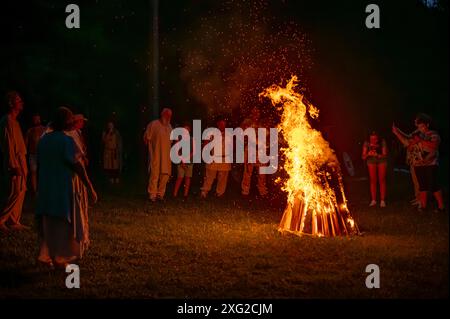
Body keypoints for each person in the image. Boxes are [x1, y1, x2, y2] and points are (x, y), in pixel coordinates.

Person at [36, 107, 97, 269]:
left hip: (46, 187)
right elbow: (77, 165)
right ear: (66, 121)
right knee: (63, 224)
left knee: (49, 223)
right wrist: (89, 187)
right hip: (61, 187)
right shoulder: (65, 141)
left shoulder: (44, 140)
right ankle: (59, 258)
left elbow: (39, 163)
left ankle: (46, 256)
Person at [393, 114, 444, 212]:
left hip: (430, 163)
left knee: (433, 185)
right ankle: (423, 206)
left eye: (421, 126)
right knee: (422, 185)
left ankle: (441, 206)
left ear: (427, 124)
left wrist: (420, 141)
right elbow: (408, 141)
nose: (419, 128)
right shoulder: (417, 133)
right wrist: (397, 131)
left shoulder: (433, 134)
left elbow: (434, 146)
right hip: (418, 163)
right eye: (418, 126)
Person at [0, 91, 28, 232]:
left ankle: (13, 220)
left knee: (21, 189)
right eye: (18, 100)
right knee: (14, 191)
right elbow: (8, 144)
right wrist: (13, 165)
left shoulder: (15, 121)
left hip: (21, 159)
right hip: (14, 160)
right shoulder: (7, 121)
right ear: (11, 103)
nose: (21, 102)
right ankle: (1, 219)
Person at [144, 108, 173, 202]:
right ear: (162, 114)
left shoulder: (170, 127)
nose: (168, 117)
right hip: (156, 155)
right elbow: (146, 138)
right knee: (155, 175)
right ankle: (152, 194)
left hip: (166, 156)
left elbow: (171, 142)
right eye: (167, 115)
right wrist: (150, 151)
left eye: (170, 115)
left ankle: (160, 194)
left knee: (165, 175)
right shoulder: (153, 124)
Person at [240, 107, 268, 198]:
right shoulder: (247, 122)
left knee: (262, 173)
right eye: (254, 111)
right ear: (251, 112)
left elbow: (268, 134)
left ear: (260, 113)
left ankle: (262, 192)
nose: (256, 113)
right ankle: (245, 191)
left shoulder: (263, 122)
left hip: (261, 151)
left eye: (257, 111)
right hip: (250, 150)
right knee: (247, 172)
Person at [200, 119, 232, 198]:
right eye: (221, 124)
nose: (222, 126)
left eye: (224, 124)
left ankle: (220, 193)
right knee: (209, 176)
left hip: (224, 158)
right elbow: (205, 144)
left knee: (223, 177)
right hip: (214, 157)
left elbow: (231, 146)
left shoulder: (229, 134)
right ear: (218, 124)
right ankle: (204, 192)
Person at [362, 131, 388, 208]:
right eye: (371, 139)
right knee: (373, 180)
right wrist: (368, 154)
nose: (373, 141)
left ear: (378, 138)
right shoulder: (366, 143)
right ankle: (373, 200)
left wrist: (377, 155)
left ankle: (382, 200)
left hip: (381, 160)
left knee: (382, 179)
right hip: (371, 160)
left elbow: (385, 155)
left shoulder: (382, 141)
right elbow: (363, 157)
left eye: (375, 139)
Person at [25, 113, 46, 195]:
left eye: (38, 119)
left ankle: (43, 189)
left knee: (43, 171)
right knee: (33, 172)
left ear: (40, 120)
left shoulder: (44, 129)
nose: (36, 120)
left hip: (42, 154)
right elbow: (25, 143)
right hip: (32, 154)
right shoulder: (29, 131)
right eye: (35, 119)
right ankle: (34, 191)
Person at [173, 123, 195, 198]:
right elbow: (177, 150)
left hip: (189, 161)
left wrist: (186, 159)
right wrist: (182, 160)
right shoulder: (179, 139)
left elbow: (194, 151)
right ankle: (175, 194)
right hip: (180, 161)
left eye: (187, 129)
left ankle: (185, 194)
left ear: (189, 130)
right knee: (180, 177)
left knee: (188, 177)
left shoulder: (192, 139)